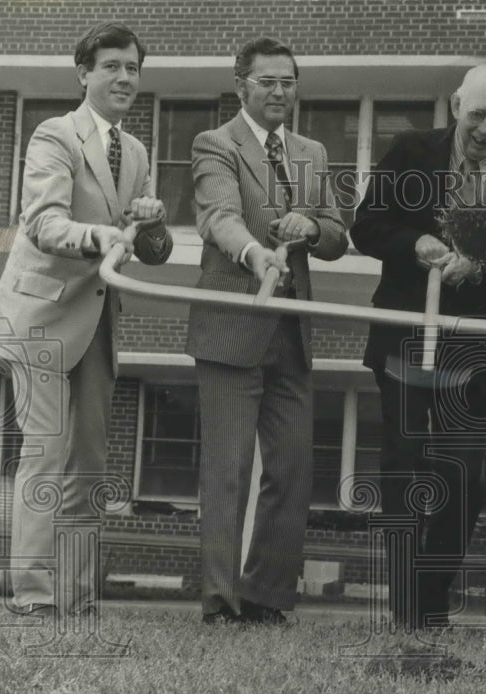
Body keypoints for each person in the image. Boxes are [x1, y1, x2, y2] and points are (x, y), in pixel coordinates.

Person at [350, 65, 486, 630]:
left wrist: (475, 269)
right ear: (457, 105)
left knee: (464, 480)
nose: (485, 130)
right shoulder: (410, 149)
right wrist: (418, 243)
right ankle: (406, 609)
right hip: (404, 340)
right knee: (403, 471)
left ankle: (431, 599)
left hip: (467, 351)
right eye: (476, 114)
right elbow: (366, 226)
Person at [0, 22, 172, 617]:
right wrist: (106, 233)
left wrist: (151, 224)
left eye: (133, 68)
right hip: (40, 312)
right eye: (112, 66)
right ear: (84, 73)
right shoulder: (53, 135)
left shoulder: (139, 151)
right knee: (45, 452)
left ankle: (75, 595)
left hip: (97, 318)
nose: (125, 77)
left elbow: (151, 252)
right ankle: (35, 598)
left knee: (89, 459)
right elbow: (43, 224)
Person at [185, 37, 347, 625]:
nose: (280, 92)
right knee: (227, 470)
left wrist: (310, 226)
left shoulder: (313, 150)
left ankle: (265, 597)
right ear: (241, 87)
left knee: (293, 470)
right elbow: (218, 217)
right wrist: (257, 253)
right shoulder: (215, 144)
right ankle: (221, 602)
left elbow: (336, 236)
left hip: (292, 331)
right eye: (267, 82)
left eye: (289, 81)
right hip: (233, 324)